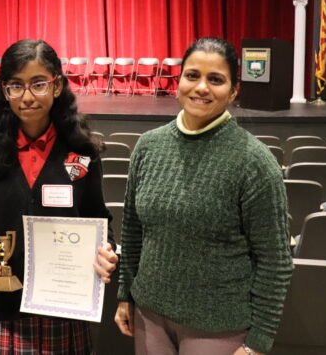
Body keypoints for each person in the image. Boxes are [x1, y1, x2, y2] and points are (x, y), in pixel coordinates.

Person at [114, 37, 293, 355]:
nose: (201, 88)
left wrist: (257, 343)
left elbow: (275, 262)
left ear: (234, 90)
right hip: (148, 316)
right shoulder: (148, 146)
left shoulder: (254, 161)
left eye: (216, 79)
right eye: (192, 75)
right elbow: (132, 231)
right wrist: (125, 293)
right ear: (179, 79)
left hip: (218, 327)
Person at [0, 39, 118, 354]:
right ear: (4, 90)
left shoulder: (83, 153)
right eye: (16, 86)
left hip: (65, 312)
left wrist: (106, 250)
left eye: (38, 84)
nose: (27, 97)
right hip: (5, 312)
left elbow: (98, 217)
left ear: (57, 85)